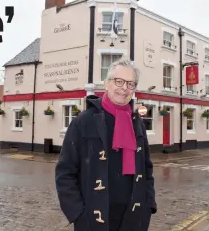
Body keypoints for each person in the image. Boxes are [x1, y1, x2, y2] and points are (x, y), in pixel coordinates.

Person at [55, 59, 157, 231]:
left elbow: (146, 169)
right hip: (94, 218)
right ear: (107, 84)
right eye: (119, 81)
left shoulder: (137, 123)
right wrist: (78, 213)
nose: (124, 88)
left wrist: (148, 205)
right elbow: (65, 172)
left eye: (130, 84)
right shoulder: (83, 122)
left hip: (133, 218)